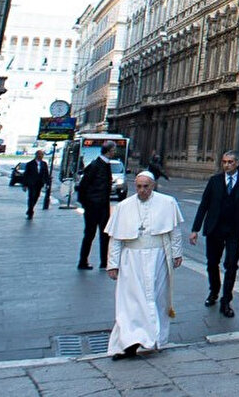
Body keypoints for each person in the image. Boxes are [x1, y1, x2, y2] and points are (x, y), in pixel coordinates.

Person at [104, 171, 184, 361]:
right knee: (130, 303)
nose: (142, 190)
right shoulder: (124, 206)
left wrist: (177, 253)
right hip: (131, 260)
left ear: (153, 186)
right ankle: (128, 343)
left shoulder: (168, 203)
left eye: (145, 186)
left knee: (156, 299)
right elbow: (115, 239)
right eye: (138, 186)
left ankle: (153, 339)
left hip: (157, 258)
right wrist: (112, 264)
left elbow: (174, 232)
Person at [190, 151, 239, 318]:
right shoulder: (214, 181)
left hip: (235, 230)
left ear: (237, 163)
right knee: (212, 263)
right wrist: (195, 229)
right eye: (224, 162)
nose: (227, 165)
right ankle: (214, 291)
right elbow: (204, 205)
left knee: (231, 265)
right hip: (215, 228)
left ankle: (226, 301)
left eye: (230, 162)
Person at [77, 140, 116, 270]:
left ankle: (104, 262)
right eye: (113, 150)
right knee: (90, 234)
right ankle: (83, 261)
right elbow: (83, 186)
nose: (115, 152)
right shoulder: (95, 165)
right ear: (108, 151)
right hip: (93, 206)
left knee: (105, 234)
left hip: (103, 206)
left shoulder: (105, 165)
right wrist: (86, 204)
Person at [22, 149, 50, 220]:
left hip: (39, 183)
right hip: (31, 183)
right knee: (31, 197)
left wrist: (47, 183)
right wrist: (24, 185)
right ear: (36, 155)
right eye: (39, 154)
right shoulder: (30, 164)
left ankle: (30, 209)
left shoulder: (44, 164)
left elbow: (46, 174)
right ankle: (30, 212)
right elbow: (26, 174)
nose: (41, 156)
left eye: (42, 155)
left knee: (36, 197)